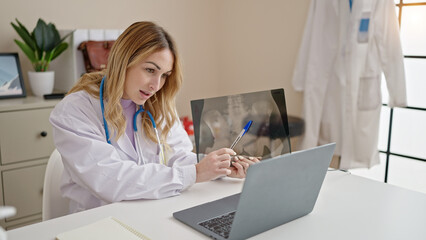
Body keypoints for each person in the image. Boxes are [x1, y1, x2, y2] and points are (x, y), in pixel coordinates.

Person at [49, 21, 259, 213]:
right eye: (150, 70)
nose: (156, 85)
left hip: (152, 212)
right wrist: (196, 173)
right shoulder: (75, 111)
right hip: (96, 223)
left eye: (165, 75)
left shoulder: (158, 105)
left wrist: (219, 167)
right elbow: (111, 181)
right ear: (123, 61)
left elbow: (179, 157)